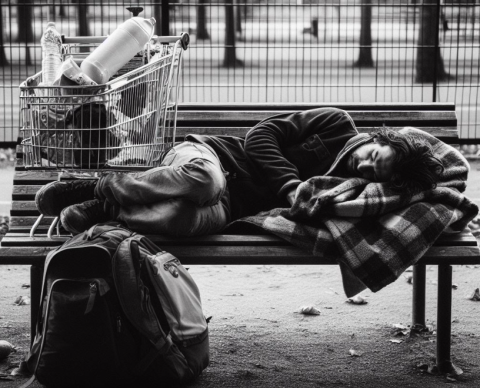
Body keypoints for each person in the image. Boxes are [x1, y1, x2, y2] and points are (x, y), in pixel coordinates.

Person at [35, 107, 444, 236]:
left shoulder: (351, 191)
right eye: (376, 154)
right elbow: (260, 134)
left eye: (378, 171)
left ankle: (107, 209)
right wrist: (290, 185)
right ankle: (99, 184)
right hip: (211, 158)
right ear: (380, 137)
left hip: (230, 210)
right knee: (200, 181)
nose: (367, 164)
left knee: (180, 216)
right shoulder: (336, 123)